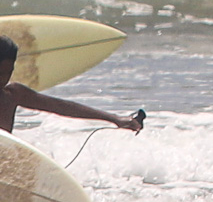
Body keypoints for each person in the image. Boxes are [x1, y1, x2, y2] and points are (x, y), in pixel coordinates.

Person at [0, 36, 143, 134]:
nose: (3, 78)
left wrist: (114, 119)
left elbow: (61, 106)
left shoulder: (13, 95)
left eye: (8, 72)